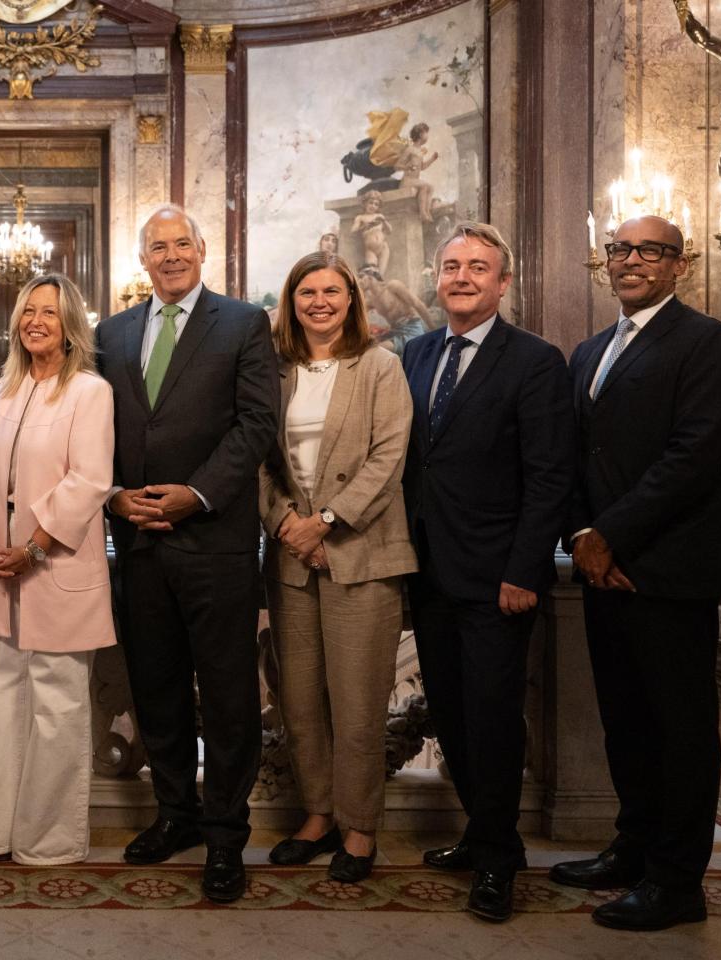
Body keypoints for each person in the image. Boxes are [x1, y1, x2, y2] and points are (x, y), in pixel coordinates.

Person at [552, 215, 721, 931]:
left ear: (679, 265)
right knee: (626, 721)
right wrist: (582, 536)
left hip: (669, 567)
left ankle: (676, 881)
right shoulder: (589, 351)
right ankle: (633, 848)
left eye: (650, 251)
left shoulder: (706, 342)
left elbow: (692, 458)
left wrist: (611, 536)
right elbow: (573, 457)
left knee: (680, 729)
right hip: (604, 569)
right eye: (619, 250)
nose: (630, 260)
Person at [93, 205, 278, 903]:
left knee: (228, 698)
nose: (170, 256)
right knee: (157, 689)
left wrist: (196, 495)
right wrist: (113, 496)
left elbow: (256, 423)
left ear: (203, 251)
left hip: (215, 542)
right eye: (157, 246)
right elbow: (96, 428)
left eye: (181, 244)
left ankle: (226, 835)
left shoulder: (243, 323)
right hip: (139, 541)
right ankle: (176, 814)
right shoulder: (112, 333)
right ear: (142, 259)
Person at [401, 221, 573, 922]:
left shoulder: (535, 360)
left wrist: (525, 569)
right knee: (450, 713)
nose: (462, 277)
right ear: (436, 279)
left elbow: (550, 475)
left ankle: (500, 858)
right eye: (451, 266)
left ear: (504, 283)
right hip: (428, 574)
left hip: (499, 578)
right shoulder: (416, 354)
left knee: (494, 719)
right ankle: (482, 832)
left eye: (478, 267)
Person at [258, 252, 416, 883]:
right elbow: (257, 459)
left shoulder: (380, 366)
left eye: (331, 291)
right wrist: (287, 526)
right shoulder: (274, 372)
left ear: (351, 299)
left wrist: (325, 523)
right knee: (299, 701)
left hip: (362, 553)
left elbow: (388, 459)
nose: (319, 302)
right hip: (292, 558)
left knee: (357, 705)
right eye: (307, 292)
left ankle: (359, 827)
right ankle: (318, 815)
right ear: (291, 302)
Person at [0, 274, 116, 865]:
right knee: (2, 703)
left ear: (70, 324)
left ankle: (50, 840)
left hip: (56, 566)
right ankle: (1, 833)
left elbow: (90, 481)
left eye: (49, 313)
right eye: (28, 311)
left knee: (58, 708)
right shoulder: (4, 390)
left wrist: (31, 548)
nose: (36, 322)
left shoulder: (90, 391)